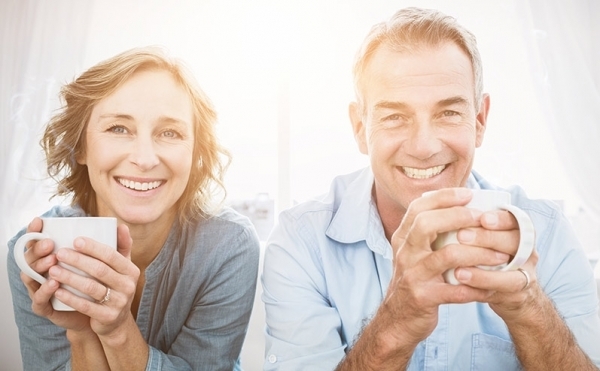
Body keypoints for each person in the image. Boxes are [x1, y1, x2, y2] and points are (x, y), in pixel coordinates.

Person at [261, 7, 600, 370]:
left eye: (448, 113)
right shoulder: (302, 242)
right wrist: (397, 321)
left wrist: (529, 308)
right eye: (394, 117)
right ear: (360, 128)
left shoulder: (546, 233)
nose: (423, 147)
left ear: (480, 120)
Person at [7, 46, 260, 370]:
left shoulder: (227, 246)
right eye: (118, 128)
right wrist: (82, 332)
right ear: (81, 146)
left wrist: (116, 332)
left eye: (170, 133)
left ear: (196, 152)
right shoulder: (32, 256)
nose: (144, 158)